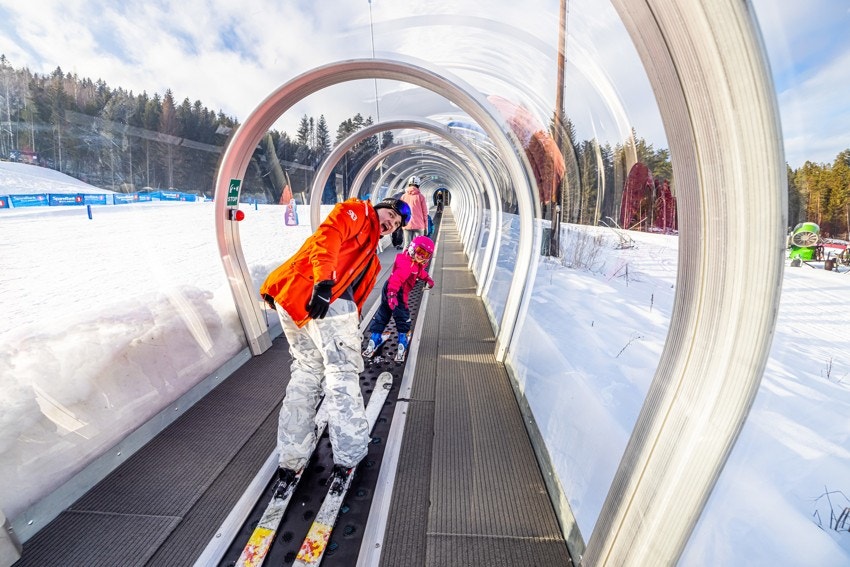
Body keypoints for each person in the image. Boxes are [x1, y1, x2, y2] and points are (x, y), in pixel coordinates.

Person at [260, 196, 412, 486]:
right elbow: (327, 237)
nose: (391, 223)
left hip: (294, 302)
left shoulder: (371, 257)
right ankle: (349, 455)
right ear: (379, 207)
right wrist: (324, 281)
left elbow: (359, 298)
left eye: (396, 224)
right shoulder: (357, 211)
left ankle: (293, 455)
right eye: (390, 214)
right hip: (321, 298)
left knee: (306, 372)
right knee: (341, 376)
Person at [363, 235, 435, 360]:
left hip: (389, 289)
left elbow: (418, 271)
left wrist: (427, 278)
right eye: (419, 251)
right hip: (397, 292)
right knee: (402, 316)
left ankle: (374, 340)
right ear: (413, 248)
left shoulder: (411, 260)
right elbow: (397, 279)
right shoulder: (407, 265)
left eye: (425, 254)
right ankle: (402, 342)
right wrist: (392, 294)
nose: (421, 256)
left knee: (383, 313)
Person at [400, 176, 430, 250]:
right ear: (418, 185)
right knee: (419, 246)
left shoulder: (403, 197)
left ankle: (405, 260)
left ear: (409, 184)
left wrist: (401, 223)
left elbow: (400, 211)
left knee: (407, 245)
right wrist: (426, 226)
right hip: (419, 225)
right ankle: (417, 261)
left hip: (407, 224)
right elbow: (425, 213)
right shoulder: (421, 197)